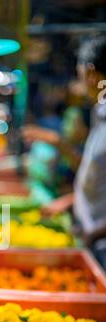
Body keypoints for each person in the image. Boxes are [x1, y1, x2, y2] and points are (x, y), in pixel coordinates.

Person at [22, 36, 106, 267]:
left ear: (90, 73)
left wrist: (94, 234)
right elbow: (98, 175)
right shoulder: (99, 116)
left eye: (78, 74)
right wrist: (72, 200)